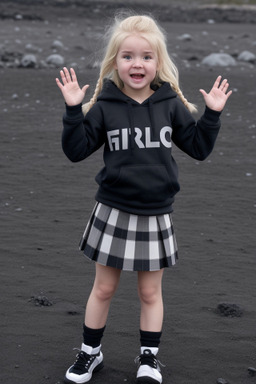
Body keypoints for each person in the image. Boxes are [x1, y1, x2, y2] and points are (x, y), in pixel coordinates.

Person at [56, 14, 232, 384]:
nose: (137, 63)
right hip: (114, 208)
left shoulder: (169, 103)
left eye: (147, 57)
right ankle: (91, 353)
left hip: (155, 213)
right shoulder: (105, 104)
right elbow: (76, 151)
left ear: (158, 62)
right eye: (128, 56)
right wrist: (74, 110)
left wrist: (212, 115)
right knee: (103, 288)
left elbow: (198, 148)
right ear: (115, 62)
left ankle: (149, 359)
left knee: (150, 293)